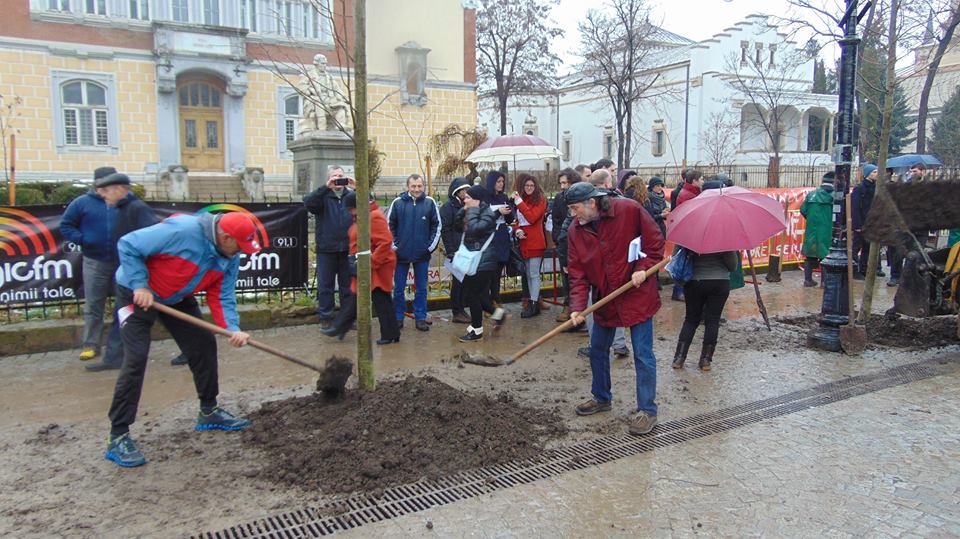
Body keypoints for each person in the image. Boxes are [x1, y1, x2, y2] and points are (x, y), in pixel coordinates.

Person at [104, 211, 261, 468]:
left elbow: (222, 294)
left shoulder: (230, 254)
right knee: (136, 359)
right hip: (136, 294)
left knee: (203, 346)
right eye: (239, 245)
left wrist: (231, 327)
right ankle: (118, 434)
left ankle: (209, 411)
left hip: (176, 297)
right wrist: (140, 285)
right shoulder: (182, 231)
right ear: (224, 236)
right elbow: (128, 244)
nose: (240, 252)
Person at [565, 183, 665, 436]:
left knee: (643, 353)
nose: (573, 214)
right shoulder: (576, 232)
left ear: (591, 202)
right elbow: (576, 273)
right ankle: (601, 397)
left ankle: (647, 411)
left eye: (575, 208)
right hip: (606, 297)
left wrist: (643, 267)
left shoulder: (628, 210)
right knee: (597, 348)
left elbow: (654, 243)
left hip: (636, 293)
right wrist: (577, 307)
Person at [82, 173, 161, 372]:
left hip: (137, 276)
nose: (103, 196)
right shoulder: (123, 208)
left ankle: (114, 357)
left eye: (106, 191)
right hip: (128, 274)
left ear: (119, 189)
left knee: (167, 314)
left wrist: (139, 279)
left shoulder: (137, 209)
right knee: (124, 315)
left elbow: (152, 240)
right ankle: (114, 357)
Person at [671, 183, 739, 372]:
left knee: (691, 319)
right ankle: (705, 361)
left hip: (694, 281)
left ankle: (679, 358)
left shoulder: (689, 223)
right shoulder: (725, 229)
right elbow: (732, 266)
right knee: (712, 320)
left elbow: (677, 256)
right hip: (719, 282)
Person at [321, 192, 401, 344]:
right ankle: (341, 327)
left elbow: (385, 242)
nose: (350, 212)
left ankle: (388, 334)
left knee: (379, 298)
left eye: (351, 209)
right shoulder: (365, 215)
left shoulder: (373, 216)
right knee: (360, 296)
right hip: (368, 264)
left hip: (376, 265)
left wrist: (371, 262)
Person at [60, 167, 122, 362]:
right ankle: (91, 344)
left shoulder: (124, 202)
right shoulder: (81, 203)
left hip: (122, 261)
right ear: (97, 184)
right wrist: (82, 239)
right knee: (94, 304)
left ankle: (120, 344)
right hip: (95, 261)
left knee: (123, 304)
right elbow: (66, 225)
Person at [387, 173, 441, 331]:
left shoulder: (430, 203)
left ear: (422, 186)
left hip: (422, 254)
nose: (417, 189)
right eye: (413, 186)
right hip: (401, 254)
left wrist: (429, 247)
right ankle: (398, 317)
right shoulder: (397, 203)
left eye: (419, 186)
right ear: (408, 187)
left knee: (422, 288)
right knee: (398, 289)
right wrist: (395, 246)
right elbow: (389, 226)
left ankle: (420, 317)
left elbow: (436, 226)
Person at [303, 166, 353, 329]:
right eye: (334, 176)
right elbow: (308, 203)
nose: (337, 179)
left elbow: (370, 203)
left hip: (347, 248)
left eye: (340, 176)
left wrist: (357, 186)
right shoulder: (323, 196)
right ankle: (326, 317)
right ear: (329, 178)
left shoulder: (351, 195)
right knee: (326, 286)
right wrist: (326, 187)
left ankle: (347, 318)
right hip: (326, 248)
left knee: (347, 286)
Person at [457, 185, 507, 342]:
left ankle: (476, 330)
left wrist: (471, 210)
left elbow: (475, 229)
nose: (464, 199)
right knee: (479, 296)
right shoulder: (472, 209)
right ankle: (499, 314)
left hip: (484, 262)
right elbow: (457, 225)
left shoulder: (487, 214)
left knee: (472, 296)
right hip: (474, 260)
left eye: (468, 197)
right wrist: (464, 210)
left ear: (477, 199)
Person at [513, 173, 548, 318]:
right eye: (527, 185)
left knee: (533, 274)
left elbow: (532, 218)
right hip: (524, 241)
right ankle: (532, 301)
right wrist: (517, 230)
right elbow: (518, 221)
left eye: (532, 186)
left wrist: (520, 203)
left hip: (535, 242)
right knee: (527, 273)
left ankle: (534, 304)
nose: (529, 188)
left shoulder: (541, 200)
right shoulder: (521, 200)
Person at [440, 177, 472, 324]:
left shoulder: (467, 205)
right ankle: (456, 311)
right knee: (458, 282)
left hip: (467, 249)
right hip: (456, 250)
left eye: (467, 190)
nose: (466, 192)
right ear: (457, 191)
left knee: (465, 282)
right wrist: (451, 250)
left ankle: (462, 309)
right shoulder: (448, 208)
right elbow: (445, 230)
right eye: (463, 190)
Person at [670, 169, 705, 301]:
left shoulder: (692, 193)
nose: (703, 181)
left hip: (686, 233)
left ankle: (681, 290)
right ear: (694, 181)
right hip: (686, 234)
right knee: (683, 262)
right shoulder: (688, 195)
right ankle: (678, 291)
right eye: (701, 179)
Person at [552, 168, 579, 322]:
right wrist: (557, 237)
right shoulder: (558, 198)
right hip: (564, 241)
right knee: (565, 275)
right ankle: (567, 305)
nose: (563, 186)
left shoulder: (580, 197)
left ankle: (578, 307)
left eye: (566, 183)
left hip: (578, 241)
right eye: (561, 183)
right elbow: (555, 219)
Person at [799, 172, 835, 288]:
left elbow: (803, 210)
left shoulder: (811, 195)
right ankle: (824, 282)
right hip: (827, 230)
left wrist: (811, 219)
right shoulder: (834, 197)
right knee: (825, 255)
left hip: (812, 230)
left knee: (810, 255)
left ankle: (808, 280)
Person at [485, 171, 515, 306]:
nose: (501, 184)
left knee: (498, 271)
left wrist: (510, 206)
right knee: (489, 272)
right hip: (491, 237)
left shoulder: (503, 197)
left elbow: (509, 219)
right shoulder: (485, 197)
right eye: (498, 181)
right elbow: (484, 218)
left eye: (502, 181)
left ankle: (496, 297)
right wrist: (498, 212)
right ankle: (488, 301)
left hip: (502, 236)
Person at [851, 164, 879, 280]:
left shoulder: (877, 188)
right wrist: (857, 225)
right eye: (874, 172)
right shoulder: (859, 188)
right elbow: (855, 207)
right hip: (861, 223)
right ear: (868, 174)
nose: (877, 174)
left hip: (871, 223)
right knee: (856, 247)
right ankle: (854, 270)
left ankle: (863, 269)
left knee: (867, 248)